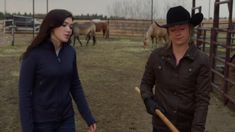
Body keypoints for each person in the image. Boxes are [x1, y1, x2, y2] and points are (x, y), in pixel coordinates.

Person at [19, 9, 96, 132]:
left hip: (66, 120)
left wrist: (88, 117)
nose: (69, 30)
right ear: (51, 26)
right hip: (42, 123)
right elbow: (24, 95)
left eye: (70, 26)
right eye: (64, 25)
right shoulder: (33, 55)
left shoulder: (70, 52)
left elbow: (75, 85)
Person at [140, 6, 211, 132]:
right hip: (160, 125)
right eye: (173, 30)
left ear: (190, 29)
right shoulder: (156, 57)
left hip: (186, 127)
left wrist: (197, 129)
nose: (177, 33)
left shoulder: (201, 60)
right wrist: (148, 99)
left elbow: (202, 101)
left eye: (182, 29)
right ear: (168, 32)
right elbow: (145, 84)